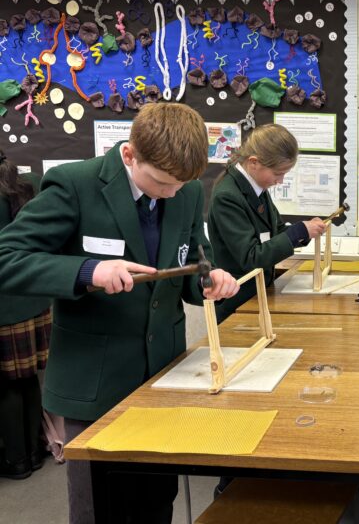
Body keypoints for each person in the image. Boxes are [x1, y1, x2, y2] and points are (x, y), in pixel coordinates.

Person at [0, 103, 239, 524]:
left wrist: (209, 278)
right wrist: (87, 271)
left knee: (156, 501)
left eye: (181, 184)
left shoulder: (185, 191)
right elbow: (8, 257)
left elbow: (192, 256)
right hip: (94, 384)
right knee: (100, 507)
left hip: (161, 377)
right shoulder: (76, 184)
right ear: (129, 154)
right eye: (162, 182)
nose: (172, 193)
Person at [208, 123, 326, 322]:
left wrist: (304, 232)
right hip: (237, 304)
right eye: (278, 173)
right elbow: (251, 257)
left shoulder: (256, 186)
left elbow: (276, 231)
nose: (280, 181)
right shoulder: (228, 197)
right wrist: (298, 233)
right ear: (254, 162)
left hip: (258, 296)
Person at [0, 150, 51, 480]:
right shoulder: (30, 182)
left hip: (5, 306)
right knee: (28, 379)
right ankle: (34, 452)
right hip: (35, 299)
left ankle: (16, 460)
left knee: (6, 386)